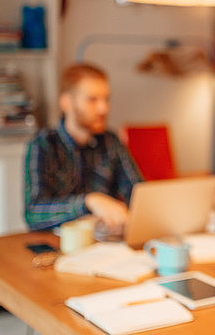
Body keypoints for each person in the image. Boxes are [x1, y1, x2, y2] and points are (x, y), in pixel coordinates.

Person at [24, 63, 142, 233]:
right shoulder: (42, 145)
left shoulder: (111, 141)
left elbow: (137, 193)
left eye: (106, 99)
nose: (104, 108)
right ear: (66, 103)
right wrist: (88, 201)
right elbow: (33, 213)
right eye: (92, 100)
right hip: (58, 246)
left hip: (105, 245)